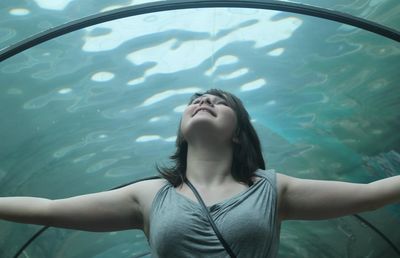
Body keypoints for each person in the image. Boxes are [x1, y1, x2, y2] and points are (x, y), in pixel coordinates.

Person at [0, 88, 399, 257]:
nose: (203, 99)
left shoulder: (273, 189)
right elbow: (48, 208)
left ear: (240, 134)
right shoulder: (147, 195)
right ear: (180, 130)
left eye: (219, 102)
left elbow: (372, 193)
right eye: (194, 100)